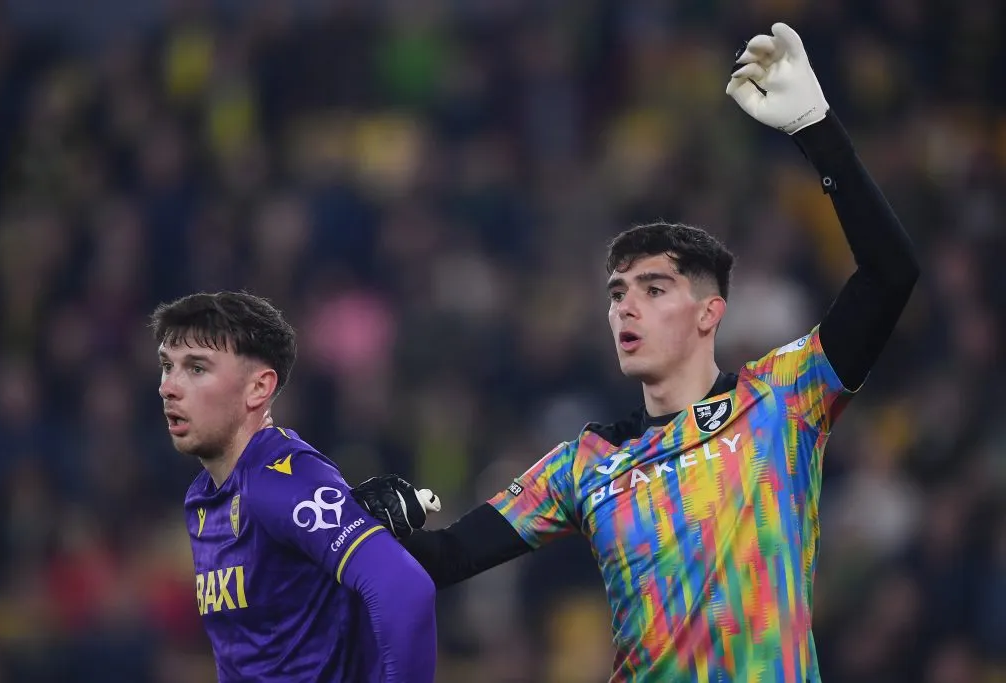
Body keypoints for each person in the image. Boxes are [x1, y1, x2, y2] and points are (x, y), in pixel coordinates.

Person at [352, 22, 920, 683]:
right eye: (617, 291)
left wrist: (817, 130)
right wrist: (361, 529)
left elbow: (890, 276)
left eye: (654, 289)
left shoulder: (783, 399)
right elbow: (447, 555)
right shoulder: (584, 464)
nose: (625, 306)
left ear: (711, 311)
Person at [152, 290, 437, 683]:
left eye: (197, 368)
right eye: (168, 366)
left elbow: (405, 589)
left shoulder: (281, 478)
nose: (169, 386)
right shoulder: (203, 496)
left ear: (258, 388)